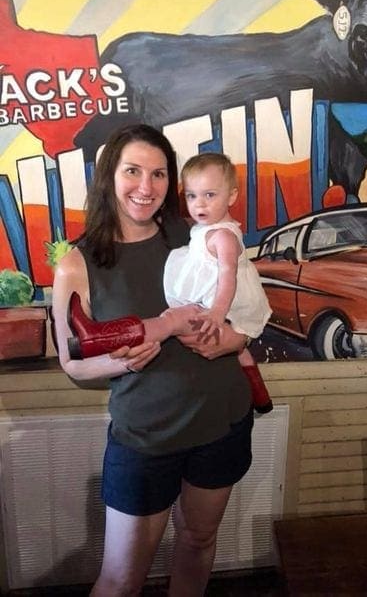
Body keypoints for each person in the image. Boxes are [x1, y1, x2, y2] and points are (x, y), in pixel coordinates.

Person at [52, 123, 253, 597]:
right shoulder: (77, 263)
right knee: (121, 580)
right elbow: (73, 362)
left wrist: (232, 341)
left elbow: (248, 307)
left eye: (159, 174)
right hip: (145, 437)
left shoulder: (197, 233)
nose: (146, 187)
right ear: (109, 177)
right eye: (133, 171)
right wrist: (127, 361)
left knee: (198, 541)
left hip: (221, 421)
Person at [67, 153, 273, 413]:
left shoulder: (222, 235)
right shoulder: (201, 228)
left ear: (231, 196)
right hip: (224, 315)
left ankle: (97, 338)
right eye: (191, 195)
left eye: (210, 195)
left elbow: (228, 276)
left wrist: (217, 314)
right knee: (236, 351)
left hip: (221, 309)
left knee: (170, 321)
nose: (199, 204)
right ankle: (261, 398)